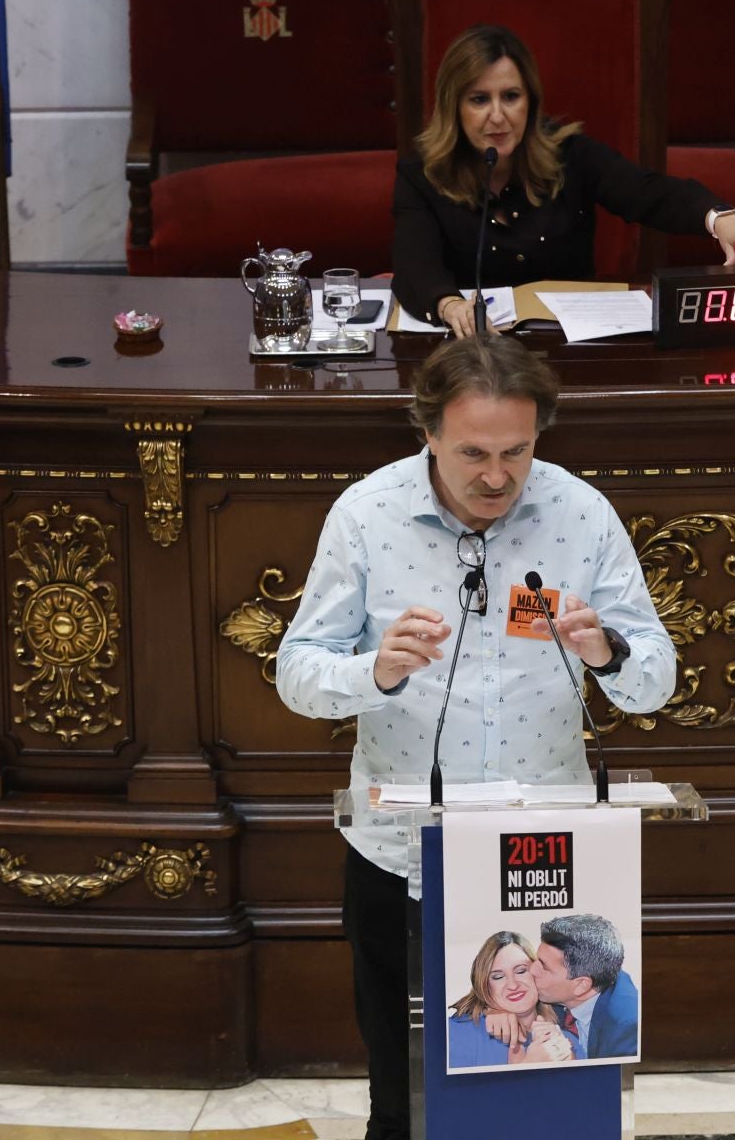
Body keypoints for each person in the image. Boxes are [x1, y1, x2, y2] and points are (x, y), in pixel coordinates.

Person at [276, 332, 675, 1140]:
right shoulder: (366, 515)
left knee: (550, 1087)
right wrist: (375, 673)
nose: (497, 476)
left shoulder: (579, 512)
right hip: (399, 852)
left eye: (516, 452)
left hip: (546, 853)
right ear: (425, 431)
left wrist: (607, 652)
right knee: (409, 1095)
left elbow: (657, 678)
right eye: (473, 454)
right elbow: (297, 675)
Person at [391, 23, 735, 337]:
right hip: (470, 352)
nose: (498, 116)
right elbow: (415, 264)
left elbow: (648, 192)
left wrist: (721, 219)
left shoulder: (569, 155)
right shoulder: (423, 173)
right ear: (453, 107)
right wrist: (449, 305)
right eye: (479, 99)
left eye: (510, 96)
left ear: (530, 100)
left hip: (569, 349)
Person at [446, 931, 579, 1068]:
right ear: (485, 985)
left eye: (521, 971)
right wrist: (528, 1066)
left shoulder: (567, 1040)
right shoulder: (456, 1033)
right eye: (498, 977)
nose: (513, 985)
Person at [532, 913, 640, 1060]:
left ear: (581, 985)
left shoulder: (625, 1030)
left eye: (544, 967)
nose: (532, 969)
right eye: (537, 959)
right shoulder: (596, 969)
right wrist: (495, 1011)